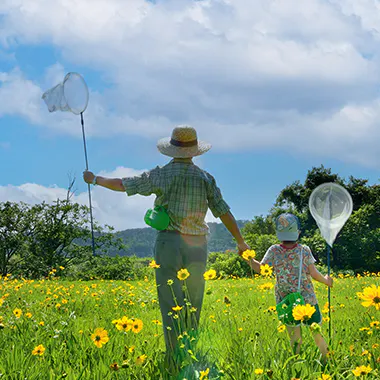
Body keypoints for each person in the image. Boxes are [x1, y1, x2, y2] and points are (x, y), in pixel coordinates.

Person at [83, 125, 249, 357]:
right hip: (197, 246)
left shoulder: (160, 174)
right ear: (194, 151)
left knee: (170, 301)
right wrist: (240, 241)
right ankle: (189, 351)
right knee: (194, 301)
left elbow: (123, 185)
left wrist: (95, 179)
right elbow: (223, 212)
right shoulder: (205, 178)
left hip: (167, 243)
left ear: (171, 150)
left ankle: (174, 353)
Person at [246, 213, 333, 363]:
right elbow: (313, 273)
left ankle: (297, 364)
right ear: (297, 233)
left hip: (287, 301)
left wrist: (248, 258)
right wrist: (326, 281)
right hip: (308, 300)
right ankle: (326, 361)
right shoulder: (304, 250)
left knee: (295, 338)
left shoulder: (274, 250)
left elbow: (260, 269)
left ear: (279, 233)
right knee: (316, 333)